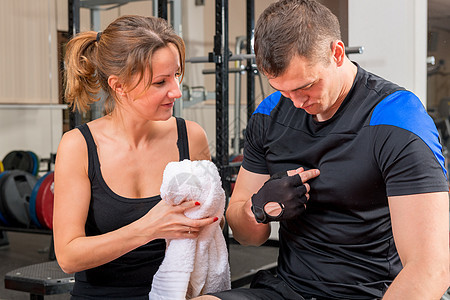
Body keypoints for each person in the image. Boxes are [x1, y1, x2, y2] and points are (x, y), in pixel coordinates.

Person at [202, 0, 450, 299]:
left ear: (337, 53)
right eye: (282, 90)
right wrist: (258, 209)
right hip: (287, 289)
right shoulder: (269, 115)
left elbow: (431, 268)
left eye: (306, 86)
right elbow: (247, 237)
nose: (296, 101)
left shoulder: (398, 119)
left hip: (370, 293)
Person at [53, 15, 220, 299]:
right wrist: (149, 228)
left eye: (176, 75)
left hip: (176, 293)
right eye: (160, 82)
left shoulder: (191, 137)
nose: (176, 91)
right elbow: (69, 256)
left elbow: (212, 225)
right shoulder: (78, 146)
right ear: (119, 86)